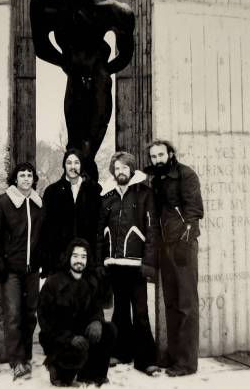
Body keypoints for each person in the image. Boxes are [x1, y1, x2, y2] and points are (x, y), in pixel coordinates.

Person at [30, 0, 135, 180]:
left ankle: (86, 190)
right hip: (76, 78)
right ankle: (78, 191)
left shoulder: (114, 9)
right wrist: (68, 63)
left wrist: (102, 70)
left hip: (98, 80)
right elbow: (41, 48)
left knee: (87, 148)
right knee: (76, 147)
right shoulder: (45, 3)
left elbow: (125, 55)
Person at [96, 151, 160, 375]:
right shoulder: (107, 195)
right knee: (120, 311)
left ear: (131, 169)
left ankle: (146, 359)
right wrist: (100, 261)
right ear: (113, 171)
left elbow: (152, 230)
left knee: (140, 312)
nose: (120, 171)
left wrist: (149, 262)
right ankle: (121, 352)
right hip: (114, 263)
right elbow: (99, 231)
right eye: (117, 168)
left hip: (137, 264)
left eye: (125, 167)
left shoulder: (144, 193)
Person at [145, 140, 204, 376]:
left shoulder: (186, 175)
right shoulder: (157, 179)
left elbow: (194, 211)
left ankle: (187, 362)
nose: (157, 160)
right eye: (153, 156)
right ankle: (173, 354)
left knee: (187, 304)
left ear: (171, 154)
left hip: (183, 246)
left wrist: (185, 240)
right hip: (165, 246)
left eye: (161, 155)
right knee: (170, 302)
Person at [38, 238, 116, 387]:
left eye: (83, 257)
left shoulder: (91, 281)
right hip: (59, 339)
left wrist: (97, 321)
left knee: (109, 330)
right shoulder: (53, 283)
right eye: (75, 256)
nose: (79, 261)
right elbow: (45, 320)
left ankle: (91, 375)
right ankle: (56, 368)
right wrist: (69, 338)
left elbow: (96, 308)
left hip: (80, 332)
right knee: (72, 361)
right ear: (68, 257)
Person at [0, 162, 43, 380]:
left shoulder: (39, 204)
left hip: (32, 270)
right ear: (15, 179)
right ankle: (16, 361)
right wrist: (0, 266)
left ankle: (27, 354)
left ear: (33, 179)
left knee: (30, 313)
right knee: (13, 315)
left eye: (29, 175)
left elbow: (44, 236)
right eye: (22, 175)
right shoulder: (3, 203)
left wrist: (42, 262)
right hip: (11, 270)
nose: (26, 179)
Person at [40, 148, 101, 278]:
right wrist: (47, 261)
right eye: (69, 162)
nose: (72, 166)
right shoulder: (52, 191)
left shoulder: (93, 190)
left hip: (85, 258)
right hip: (60, 258)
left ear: (82, 165)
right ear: (64, 165)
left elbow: (99, 225)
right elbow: (46, 227)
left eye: (76, 162)